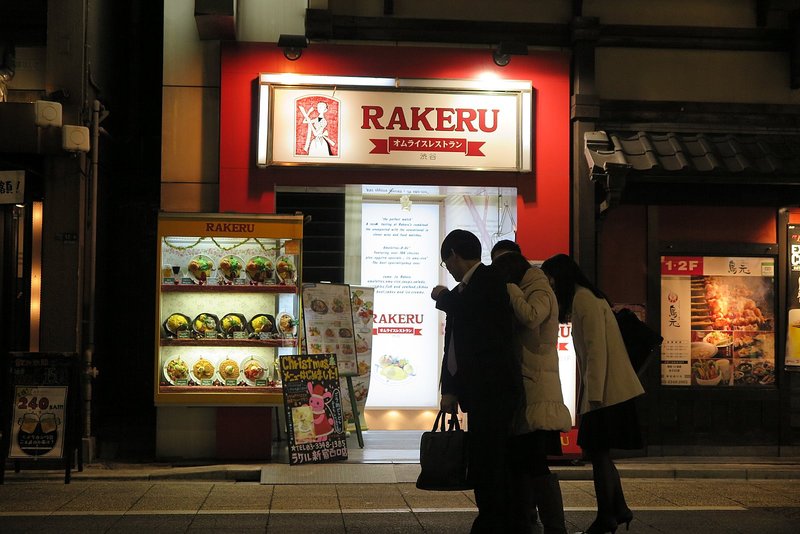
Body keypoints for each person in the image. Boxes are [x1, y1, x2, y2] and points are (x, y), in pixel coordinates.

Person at [540, 254, 645, 534]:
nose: (549, 285)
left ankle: (606, 517)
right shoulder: (587, 298)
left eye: (550, 279)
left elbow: (596, 350)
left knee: (597, 454)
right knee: (600, 453)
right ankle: (618, 509)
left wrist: (594, 395)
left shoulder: (584, 300)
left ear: (560, 277)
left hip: (606, 391)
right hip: (608, 389)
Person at [431, 229, 524, 533]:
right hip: (479, 391)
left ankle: (495, 521)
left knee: (492, 460)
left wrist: (442, 296)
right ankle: (493, 518)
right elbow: (454, 345)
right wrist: (450, 388)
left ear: (454, 255)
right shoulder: (465, 291)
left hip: (494, 390)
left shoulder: (487, 280)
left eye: (448, 263)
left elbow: (470, 312)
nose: (450, 270)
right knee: (484, 458)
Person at [492, 251, 572, 534]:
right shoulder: (530, 288)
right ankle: (527, 520)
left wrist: (511, 290)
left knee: (535, 462)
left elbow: (532, 316)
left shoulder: (537, 289)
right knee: (524, 460)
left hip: (538, 386)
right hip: (529, 384)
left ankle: (553, 526)